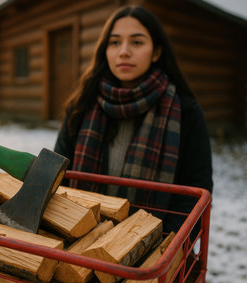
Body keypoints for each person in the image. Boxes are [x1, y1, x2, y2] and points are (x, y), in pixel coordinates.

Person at [54, 5, 213, 234]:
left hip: (151, 251)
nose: (124, 52)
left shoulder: (186, 113)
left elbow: (195, 195)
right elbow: (59, 179)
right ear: (105, 50)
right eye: (115, 42)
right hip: (79, 242)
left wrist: (159, 248)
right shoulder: (82, 105)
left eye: (137, 42)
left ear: (156, 52)